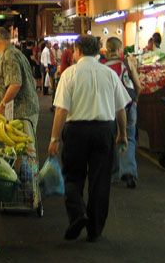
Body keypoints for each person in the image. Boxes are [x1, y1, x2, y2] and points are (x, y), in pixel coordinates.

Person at [48, 35, 131, 243]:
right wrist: (123, 134)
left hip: (76, 131)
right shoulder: (109, 74)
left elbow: (61, 110)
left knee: (73, 176)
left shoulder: (70, 74)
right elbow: (121, 109)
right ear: (97, 51)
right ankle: (95, 230)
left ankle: (78, 214)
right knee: (100, 180)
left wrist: (54, 138)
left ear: (77, 50)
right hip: (104, 130)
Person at [104, 37, 141, 189]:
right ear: (120, 50)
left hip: (110, 108)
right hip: (129, 105)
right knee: (129, 137)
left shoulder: (102, 67)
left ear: (106, 50)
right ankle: (129, 171)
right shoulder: (127, 63)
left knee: (113, 138)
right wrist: (136, 100)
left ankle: (113, 174)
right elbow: (138, 85)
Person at [0, 27, 39, 131]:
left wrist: (1, 106)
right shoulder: (15, 53)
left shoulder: (9, 55)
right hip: (22, 113)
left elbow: (15, 84)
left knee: (24, 146)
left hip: (21, 114)